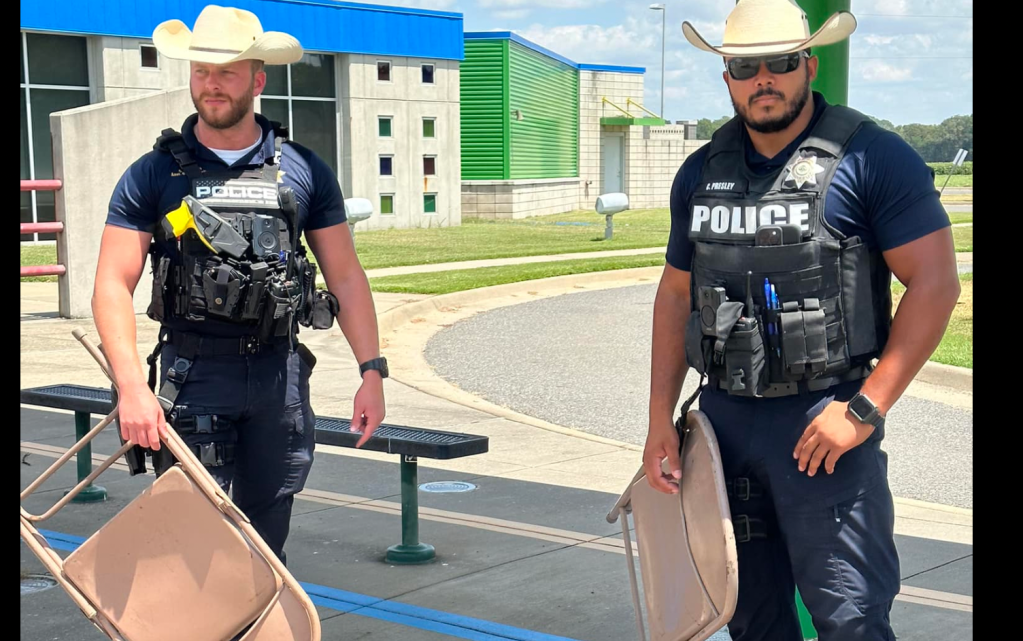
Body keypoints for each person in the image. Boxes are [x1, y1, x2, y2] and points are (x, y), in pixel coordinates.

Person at [643, 0, 959, 638]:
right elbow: (677, 295)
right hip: (725, 422)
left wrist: (865, 410)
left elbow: (936, 285)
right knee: (748, 617)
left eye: (781, 63)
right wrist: (658, 419)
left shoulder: (872, 158)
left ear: (808, 65)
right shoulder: (701, 172)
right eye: (745, 66)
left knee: (851, 617)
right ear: (727, 77)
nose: (764, 78)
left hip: (826, 419)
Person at [93, 4, 388, 564]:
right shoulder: (153, 173)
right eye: (201, 71)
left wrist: (371, 371)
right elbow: (112, 281)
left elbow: (344, 274)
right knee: (191, 540)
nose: (211, 85)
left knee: (265, 535)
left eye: (227, 72)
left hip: (279, 378)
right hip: (194, 372)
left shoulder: (303, 169)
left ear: (258, 78)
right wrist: (131, 387)